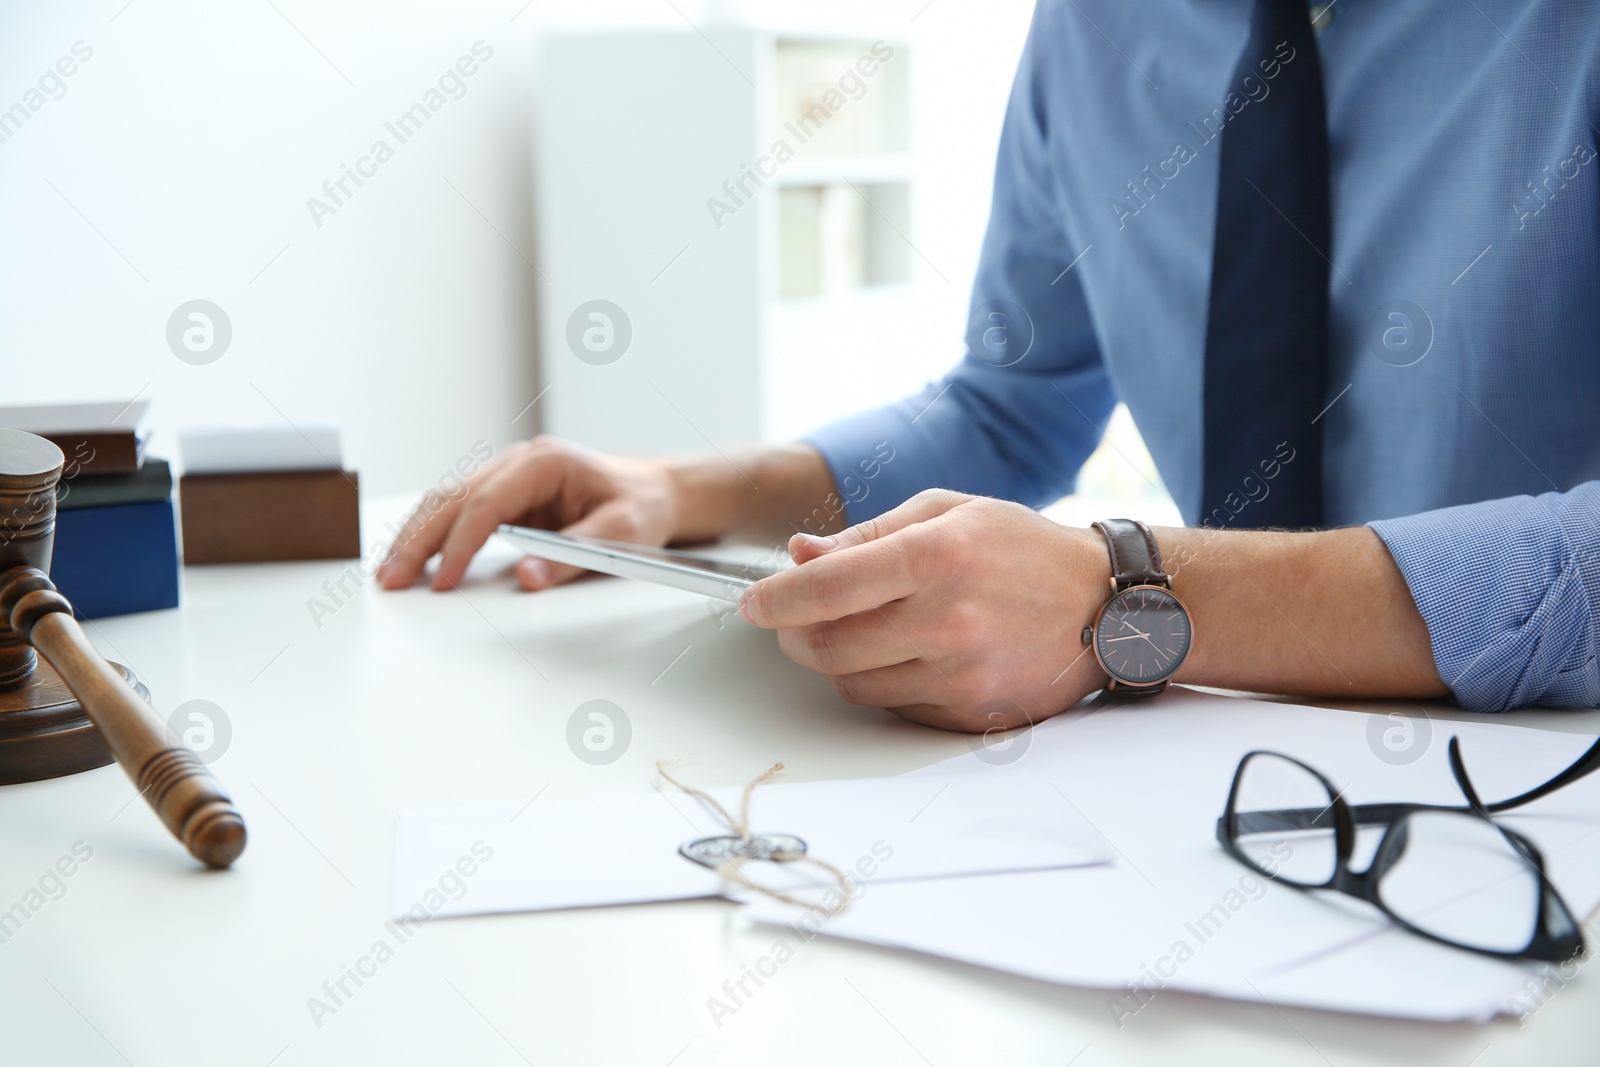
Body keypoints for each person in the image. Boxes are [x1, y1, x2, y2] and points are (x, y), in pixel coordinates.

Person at [379, 1, 1600, 733]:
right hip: (1224, 773)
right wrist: (691, 492)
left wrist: (1128, 597)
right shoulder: (1093, 25)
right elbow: (1011, 407)